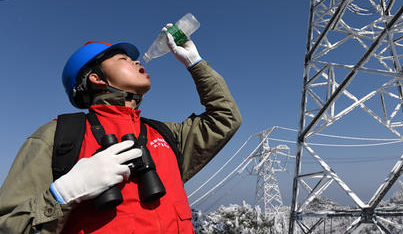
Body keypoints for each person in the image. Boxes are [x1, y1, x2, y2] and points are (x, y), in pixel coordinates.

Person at [0, 30, 242, 233]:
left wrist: (195, 63)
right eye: (123, 58)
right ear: (95, 78)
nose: (137, 61)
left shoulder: (164, 135)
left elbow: (225, 118)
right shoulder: (59, 137)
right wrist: (63, 194)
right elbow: (8, 225)